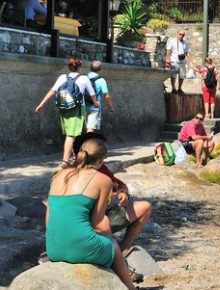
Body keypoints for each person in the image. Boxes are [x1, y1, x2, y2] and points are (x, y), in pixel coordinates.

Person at [44, 138, 137, 290]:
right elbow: (97, 221)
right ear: (101, 160)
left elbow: (48, 218)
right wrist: (107, 233)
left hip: (53, 248)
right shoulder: (103, 180)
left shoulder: (58, 175)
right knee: (112, 244)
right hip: (82, 248)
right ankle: (129, 287)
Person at [73, 132, 152, 260]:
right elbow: (96, 218)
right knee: (103, 223)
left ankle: (124, 249)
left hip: (93, 219)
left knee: (145, 207)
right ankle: (117, 259)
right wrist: (110, 196)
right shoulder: (76, 173)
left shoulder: (101, 169)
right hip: (87, 224)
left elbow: (119, 184)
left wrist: (123, 193)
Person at [35, 56, 98, 166]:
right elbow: (92, 93)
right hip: (77, 109)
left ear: (69, 67)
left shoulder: (62, 77)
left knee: (74, 134)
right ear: (80, 67)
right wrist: (96, 103)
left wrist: (41, 104)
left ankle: (77, 158)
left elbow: (52, 91)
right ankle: (65, 161)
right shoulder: (84, 78)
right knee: (71, 135)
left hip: (64, 108)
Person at [85, 61, 115, 132]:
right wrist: (111, 107)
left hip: (83, 106)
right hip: (95, 107)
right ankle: (88, 142)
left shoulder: (84, 77)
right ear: (100, 69)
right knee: (90, 129)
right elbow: (107, 96)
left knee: (84, 128)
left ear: (90, 68)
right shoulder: (101, 80)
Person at [165, 29, 190, 94]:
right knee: (173, 75)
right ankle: (173, 88)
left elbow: (187, 51)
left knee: (182, 75)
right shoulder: (172, 41)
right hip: (174, 61)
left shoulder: (185, 42)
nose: (181, 36)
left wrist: (190, 59)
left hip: (182, 61)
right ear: (177, 34)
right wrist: (168, 59)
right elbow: (168, 50)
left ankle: (179, 88)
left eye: (183, 35)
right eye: (180, 34)